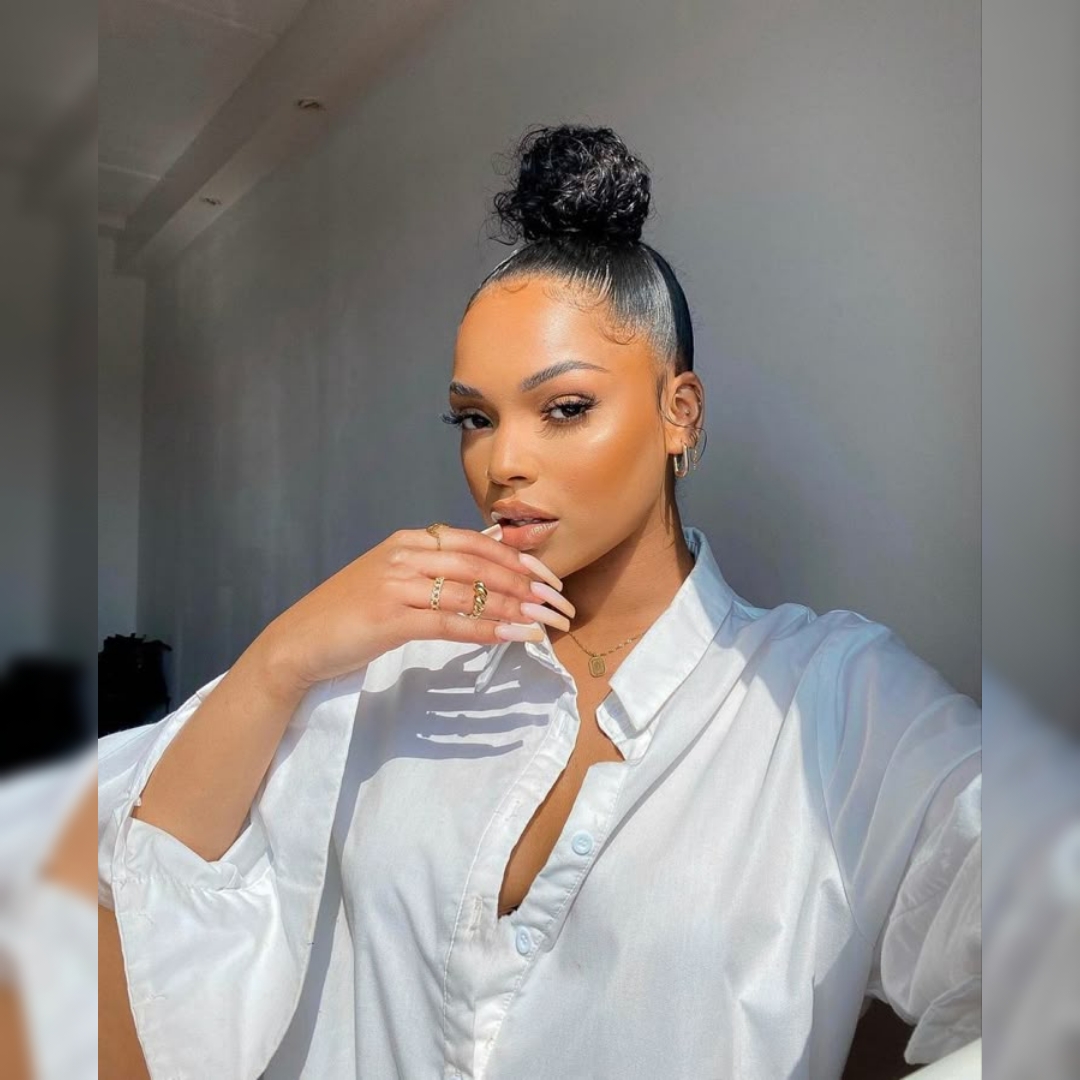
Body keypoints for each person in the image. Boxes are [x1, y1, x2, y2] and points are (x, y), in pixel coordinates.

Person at [97, 124, 981, 1080]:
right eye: (474, 418)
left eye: (564, 408)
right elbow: (135, 890)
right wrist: (283, 657)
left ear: (678, 412)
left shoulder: (837, 704)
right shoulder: (400, 667)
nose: (502, 462)